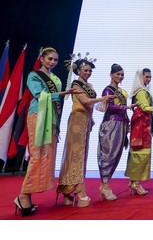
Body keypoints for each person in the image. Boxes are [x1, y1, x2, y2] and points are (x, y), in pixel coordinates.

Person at [14, 47, 78, 216]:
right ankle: (23, 195)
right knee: (37, 154)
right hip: (38, 116)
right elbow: (39, 95)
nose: (52, 62)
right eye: (50, 59)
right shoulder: (34, 75)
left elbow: (55, 100)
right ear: (42, 59)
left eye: (55, 60)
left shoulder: (56, 78)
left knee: (46, 156)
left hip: (52, 119)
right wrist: (63, 93)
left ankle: (27, 194)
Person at [56, 58, 113, 208]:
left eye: (90, 71)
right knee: (75, 154)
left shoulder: (89, 85)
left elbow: (91, 105)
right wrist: (104, 98)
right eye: (85, 70)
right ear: (78, 71)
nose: (88, 73)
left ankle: (68, 192)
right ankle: (78, 190)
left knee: (81, 154)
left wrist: (92, 119)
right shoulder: (75, 84)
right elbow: (86, 101)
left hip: (86, 120)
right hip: (77, 120)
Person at [97, 64, 137, 201]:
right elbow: (110, 107)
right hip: (111, 124)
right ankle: (105, 185)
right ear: (111, 75)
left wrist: (127, 123)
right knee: (108, 154)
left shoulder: (121, 91)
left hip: (121, 124)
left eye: (122, 75)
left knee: (117, 154)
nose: (120, 77)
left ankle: (105, 185)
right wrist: (127, 106)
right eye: (118, 74)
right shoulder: (107, 90)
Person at [125, 68, 153, 195]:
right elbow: (145, 107)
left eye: (150, 77)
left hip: (143, 124)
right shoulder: (141, 91)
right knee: (141, 153)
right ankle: (136, 183)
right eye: (146, 77)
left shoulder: (143, 90)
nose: (148, 79)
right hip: (141, 126)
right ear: (140, 77)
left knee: (139, 152)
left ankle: (134, 181)